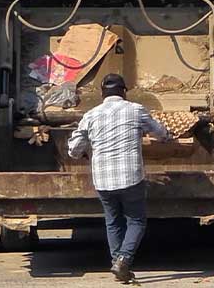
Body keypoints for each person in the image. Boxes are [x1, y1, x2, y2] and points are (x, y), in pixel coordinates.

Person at [68, 74, 171, 284]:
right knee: (136, 221)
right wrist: (166, 136)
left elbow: (74, 150)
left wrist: (81, 152)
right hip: (130, 178)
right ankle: (124, 260)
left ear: (102, 94)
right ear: (124, 92)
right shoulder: (136, 110)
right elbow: (160, 132)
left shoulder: (91, 115)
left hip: (103, 180)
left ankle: (118, 263)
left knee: (113, 221)